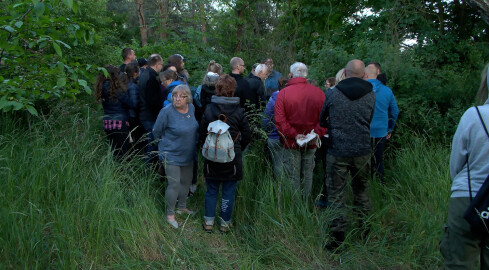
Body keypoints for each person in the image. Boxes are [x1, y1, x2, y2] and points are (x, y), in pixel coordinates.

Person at [319, 59, 375, 251]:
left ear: (345, 72)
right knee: (362, 191)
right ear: (364, 74)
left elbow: (322, 120)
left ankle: (337, 238)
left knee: (336, 194)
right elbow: (369, 119)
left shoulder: (333, 94)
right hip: (362, 150)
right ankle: (365, 231)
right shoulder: (371, 95)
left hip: (338, 150)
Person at [440, 64, 489, 269]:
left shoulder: (474, 115)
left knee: (460, 263)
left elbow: (456, 163)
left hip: (468, 197)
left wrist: (458, 183)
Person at [199, 74, 251, 233]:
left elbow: (201, 133)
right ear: (233, 90)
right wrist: (237, 148)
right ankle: (224, 224)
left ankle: (208, 222)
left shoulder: (209, 109)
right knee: (228, 191)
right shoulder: (239, 111)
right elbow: (248, 135)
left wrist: (206, 148)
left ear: (217, 89)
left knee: (212, 189)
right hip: (232, 157)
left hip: (212, 157)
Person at [274, 62, 326, 197]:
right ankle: (305, 204)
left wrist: (295, 135)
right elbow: (325, 119)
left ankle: (295, 206)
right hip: (310, 141)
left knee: (292, 175)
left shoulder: (283, 93)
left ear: (290, 75)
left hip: (291, 142)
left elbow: (279, 120)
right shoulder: (319, 93)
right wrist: (315, 134)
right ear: (306, 74)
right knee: (307, 174)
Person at [153, 85, 199, 229]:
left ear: (188, 98)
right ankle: (170, 214)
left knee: (186, 181)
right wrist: (166, 147)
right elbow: (156, 131)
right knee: (174, 184)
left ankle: (182, 206)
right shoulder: (166, 112)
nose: (177, 99)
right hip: (171, 154)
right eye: (174, 95)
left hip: (188, 153)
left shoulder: (191, 108)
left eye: (181, 96)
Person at [365, 65, 399, 184]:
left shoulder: (362, 90)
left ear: (366, 75)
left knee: (363, 160)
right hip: (381, 131)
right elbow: (395, 111)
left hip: (364, 130)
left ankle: (364, 187)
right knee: (378, 159)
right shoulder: (387, 90)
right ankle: (380, 185)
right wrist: (389, 128)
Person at [94, 65, 136, 160]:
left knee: (114, 151)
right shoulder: (116, 90)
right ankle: (122, 172)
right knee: (123, 153)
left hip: (107, 122)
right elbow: (130, 104)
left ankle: (114, 171)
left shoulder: (101, 89)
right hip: (120, 122)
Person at [139, 54, 164, 164]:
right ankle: (149, 168)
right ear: (158, 64)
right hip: (149, 115)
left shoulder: (144, 74)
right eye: (161, 64)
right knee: (152, 143)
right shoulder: (151, 77)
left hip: (145, 113)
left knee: (150, 142)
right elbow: (152, 101)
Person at [262, 77, 287, 178]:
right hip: (287, 137)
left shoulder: (273, 99)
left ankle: (279, 189)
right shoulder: (290, 99)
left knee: (277, 165)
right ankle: (287, 190)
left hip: (273, 137)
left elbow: (265, 119)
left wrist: (268, 132)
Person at [123, 62, 145, 153]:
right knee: (136, 139)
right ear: (135, 73)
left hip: (127, 115)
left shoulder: (124, 83)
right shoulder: (133, 86)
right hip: (133, 116)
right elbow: (134, 103)